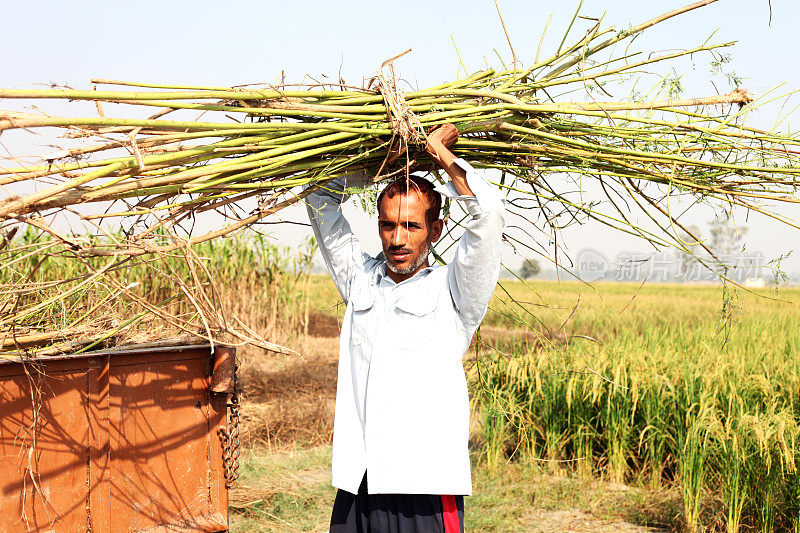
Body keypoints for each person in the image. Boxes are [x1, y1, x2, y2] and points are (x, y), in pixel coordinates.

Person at [306, 123, 505, 533]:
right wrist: (384, 162)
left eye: (412, 226)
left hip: (425, 489)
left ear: (435, 230)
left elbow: (489, 214)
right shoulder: (360, 281)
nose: (397, 238)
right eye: (388, 225)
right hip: (358, 483)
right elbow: (318, 197)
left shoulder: (454, 293)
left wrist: (440, 157)